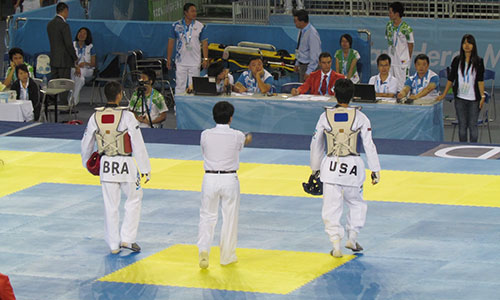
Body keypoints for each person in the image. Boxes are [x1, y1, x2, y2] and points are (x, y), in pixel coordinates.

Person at [309, 78, 380, 258]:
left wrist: (314, 169)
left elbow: (316, 144)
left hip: (331, 167)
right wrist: (375, 170)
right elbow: (369, 145)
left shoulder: (324, 116)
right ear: (353, 95)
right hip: (352, 167)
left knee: (331, 207)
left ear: (334, 94)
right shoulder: (361, 117)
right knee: (356, 202)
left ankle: (336, 244)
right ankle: (353, 237)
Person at [81, 81, 151, 254]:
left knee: (110, 205)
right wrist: (144, 169)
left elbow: (86, 144)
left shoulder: (94, 117)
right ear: (120, 95)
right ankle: (127, 238)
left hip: (106, 164)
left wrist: (87, 163)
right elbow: (138, 143)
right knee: (134, 199)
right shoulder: (127, 117)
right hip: (125, 163)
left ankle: (113, 244)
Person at [197, 101, 252, 269]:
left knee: (207, 215)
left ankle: (204, 250)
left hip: (210, 178)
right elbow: (243, 143)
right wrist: (247, 137)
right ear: (231, 118)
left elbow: (205, 151)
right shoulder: (237, 135)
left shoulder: (205, 134)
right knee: (230, 217)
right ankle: (227, 256)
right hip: (229, 179)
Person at [436, 34, 485, 143]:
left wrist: (482, 96)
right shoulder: (457, 60)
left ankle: (473, 149)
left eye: (469, 43)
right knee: (462, 126)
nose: (467, 45)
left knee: (473, 126)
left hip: (474, 99)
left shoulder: (479, 61)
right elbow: (451, 79)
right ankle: (462, 149)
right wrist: (444, 94)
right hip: (460, 98)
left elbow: (480, 80)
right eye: (464, 42)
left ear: (474, 45)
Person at [167, 2, 209, 95]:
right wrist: (169, 58)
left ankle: (192, 106)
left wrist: (205, 59)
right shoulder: (176, 26)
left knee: (193, 86)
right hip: (181, 61)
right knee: (180, 85)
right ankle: (177, 107)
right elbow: (171, 42)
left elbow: (205, 43)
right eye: (192, 11)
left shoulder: (200, 26)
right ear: (185, 12)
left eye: (195, 11)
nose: (195, 13)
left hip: (195, 61)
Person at [385, 1, 414, 91]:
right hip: (391, 59)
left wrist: (407, 59)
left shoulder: (406, 28)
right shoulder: (388, 26)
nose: (389, 14)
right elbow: (389, 40)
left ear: (397, 14)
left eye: (390, 12)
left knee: (402, 85)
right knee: (391, 83)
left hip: (402, 61)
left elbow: (411, 44)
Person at [47, 2, 78, 82]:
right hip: (64, 61)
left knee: (54, 85)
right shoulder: (64, 25)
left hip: (54, 59)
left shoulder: (50, 24)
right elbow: (68, 44)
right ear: (65, 10)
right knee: (63, 85)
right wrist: (74, 57)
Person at [293, 9, 321, 83]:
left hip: (310, 67)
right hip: (302, 66)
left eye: (295, 21)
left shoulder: (312, 34)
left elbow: (315, 55)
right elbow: (300, 49)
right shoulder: (301, 31)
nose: (294, 23)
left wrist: (309, 71)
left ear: (302, 22)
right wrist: (297, 63)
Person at [71, 27, 96, 106]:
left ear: (87, 36)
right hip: (74, 68)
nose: (81, 35)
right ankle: (73, 101)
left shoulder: (90, 47)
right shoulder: (72, 45)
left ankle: (71, 97)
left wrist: (85, 63)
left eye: (84, 33)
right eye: (80, 32)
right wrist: (76, 66)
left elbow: (93, 63)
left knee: (79, 73)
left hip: (87, 70)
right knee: (80, 79)